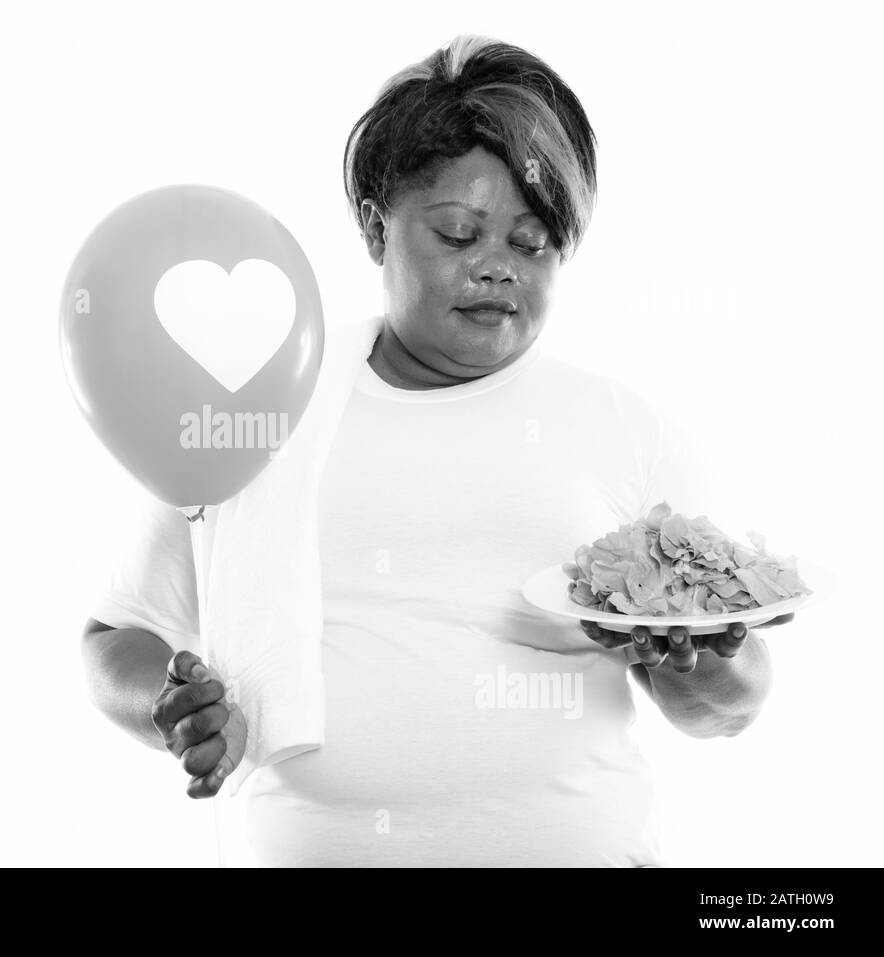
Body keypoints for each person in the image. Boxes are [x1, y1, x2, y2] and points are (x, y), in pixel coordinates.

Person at [79, 34, 791, 866]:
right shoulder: (262, 403)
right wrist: (173, 705)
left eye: (531, 245)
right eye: (460, 235)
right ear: (379, 230)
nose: (497, 269)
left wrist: (697, 661)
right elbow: (116, 638)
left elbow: (732, 708)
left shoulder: (626, 430)